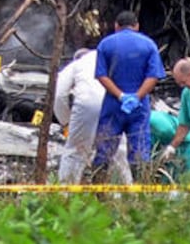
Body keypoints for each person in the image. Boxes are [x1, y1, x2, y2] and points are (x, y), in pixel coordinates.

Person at [91, 10, 166, 180]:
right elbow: (153, 76)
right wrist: (137, 97)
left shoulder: (106, 44)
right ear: (136, 26)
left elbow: (101, 75)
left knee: (104, 150)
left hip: (113, 104)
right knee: (139, 153)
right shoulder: (149, 45)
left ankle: (97, 192)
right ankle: (141, 191)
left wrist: (121, 96)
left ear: (116, 26)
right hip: (139, 107)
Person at [53, 47, 132, 184]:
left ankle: (65, 191)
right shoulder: (112, 61)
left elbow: (59, 95)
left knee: (76, 151)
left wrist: (66, 122)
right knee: (118, 151)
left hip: (88, 104)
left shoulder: (76, 65)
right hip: (115, 103)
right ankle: (125, 191)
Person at [149, 110, 190, 180]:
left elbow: (183, 131)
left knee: (188, 179)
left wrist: (172, 147)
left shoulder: (159, 125)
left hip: (186, 145)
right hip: (163, 152)